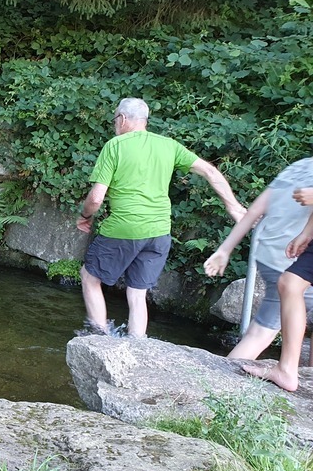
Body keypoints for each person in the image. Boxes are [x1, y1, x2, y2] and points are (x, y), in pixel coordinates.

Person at [76, 97, 245, 337]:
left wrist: (85, 216)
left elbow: (95, 199)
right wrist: (234, 207)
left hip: (124, 229)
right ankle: (137, 346)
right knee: (137, 293)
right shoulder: (169, 145)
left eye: (115, 119)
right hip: (159, 233)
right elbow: (209, 171)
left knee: (89, 277)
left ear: (122, 119)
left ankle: (99, 336)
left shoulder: (115, 145)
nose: (115, 124)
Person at [203, 157, 313, 359]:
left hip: (270, 254)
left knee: (261, 328)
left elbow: (255, 210)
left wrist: (225, 250)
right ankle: (222, 385)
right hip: (293, 259)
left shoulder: (299, 166)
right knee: (261, 331)